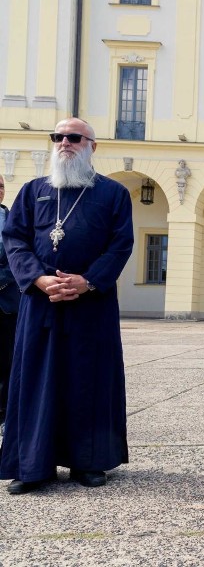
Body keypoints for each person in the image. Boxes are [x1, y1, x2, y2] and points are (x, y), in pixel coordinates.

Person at [0, 118, 133, 494]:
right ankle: (31, 465)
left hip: (91, 304)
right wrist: (40, 280)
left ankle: (87, 462)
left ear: (93, 146)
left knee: (87, 381)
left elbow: (120, 245)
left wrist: (87, 281)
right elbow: (15, 240)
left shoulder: (113, 194)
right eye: (57, 137)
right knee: (35, 381)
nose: (64, 143)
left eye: (73, 138)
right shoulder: (32, 191)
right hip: (40, 303)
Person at [0, 173, 20, 438]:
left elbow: (18, 257)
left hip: (7, 303)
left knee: (7, 365)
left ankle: (5, 417)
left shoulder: (13, 220)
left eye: (1, 186)